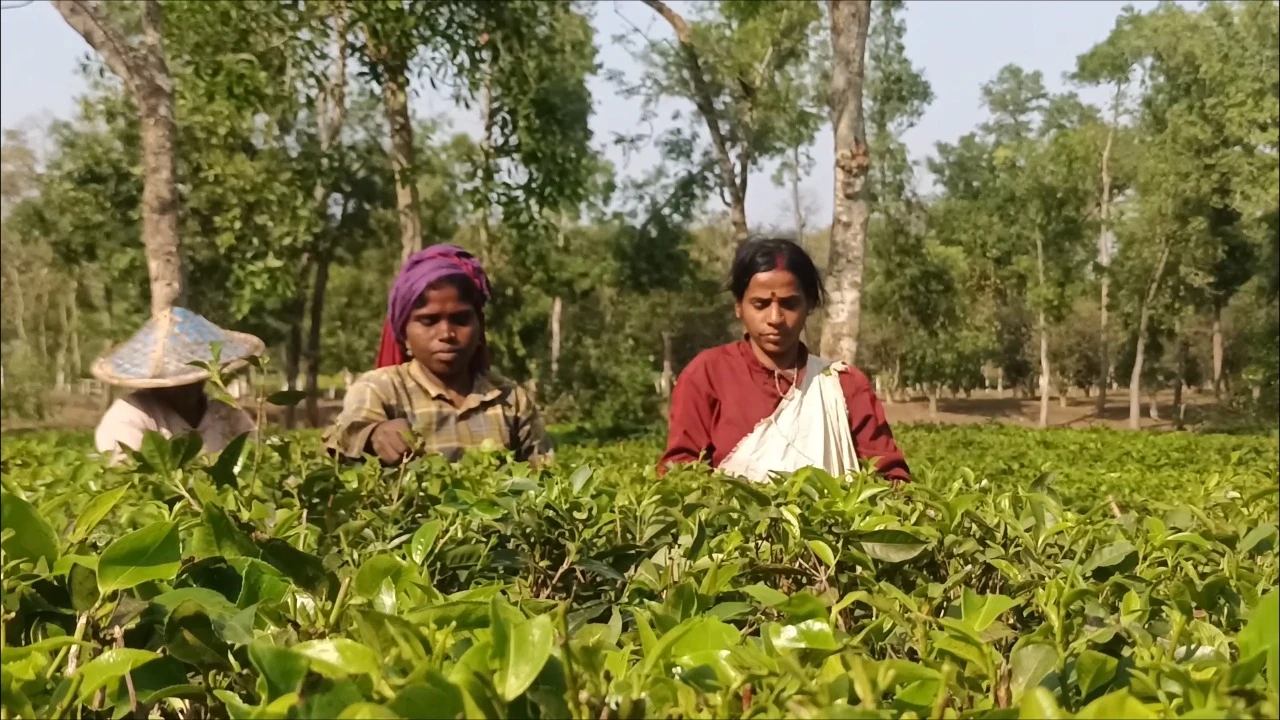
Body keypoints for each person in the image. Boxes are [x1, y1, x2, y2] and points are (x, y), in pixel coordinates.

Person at [660, 238, 910, 484]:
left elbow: (889, 478)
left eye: (790, 304)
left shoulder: (844, 386)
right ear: (739, 306)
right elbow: (682, 474)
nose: (775, 318)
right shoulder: (708, 375)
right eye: (760, 304)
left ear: (809, 305)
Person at [324, 244, 552, 465]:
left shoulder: (510, 400)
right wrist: (373, 434)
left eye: (461, 319)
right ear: (404, 331)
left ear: (479, 326)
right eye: (428, 320)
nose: (447, 333)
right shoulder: (381, 389)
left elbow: (543, 477)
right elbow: (340, 436)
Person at [92, 307, 262, 465]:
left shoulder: (226, 414)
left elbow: (256, 458)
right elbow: (126, 473)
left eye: (191, 379)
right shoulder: (130, 415)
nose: (187, 388)